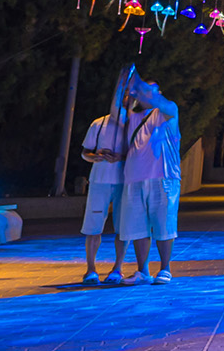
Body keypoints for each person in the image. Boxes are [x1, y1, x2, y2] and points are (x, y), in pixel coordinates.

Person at [115, 69, 183, 283]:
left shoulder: (168, 110)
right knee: (137, 226)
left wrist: (137, 82)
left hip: (164, 177)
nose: (145, 95)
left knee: (164, 224)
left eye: (151, 91)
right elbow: (116, 105)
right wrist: (123, 86)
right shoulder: (132, 117)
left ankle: (165, 268)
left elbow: (158, 101)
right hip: (134, 179)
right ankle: (142, 271)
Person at [77, 94, 128, 284]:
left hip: (124, 181)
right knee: (93, 227)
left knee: (123, 228)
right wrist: (95, 156)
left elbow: (138, 154)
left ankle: (118, 269)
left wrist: (120, 157)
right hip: (99, 181)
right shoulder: (99, 123)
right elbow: (85, 152)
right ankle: (91, 269)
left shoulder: (133, 125)